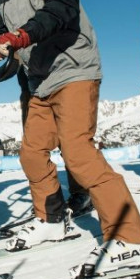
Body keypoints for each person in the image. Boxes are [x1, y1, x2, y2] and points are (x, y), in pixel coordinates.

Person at [0, 0, 140, 275]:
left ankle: (132, 238)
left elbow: (62, 7)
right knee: (31, 152)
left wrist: (21, 35)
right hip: (41, 81)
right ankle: (52, 220)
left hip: (74, 70)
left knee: (78, 153)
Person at [17, 68, 93, 217]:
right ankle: (49, 203)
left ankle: (83, 193)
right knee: (33, 150)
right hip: (30, 94)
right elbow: (11, 60)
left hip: (61, 87)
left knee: (72, 145)